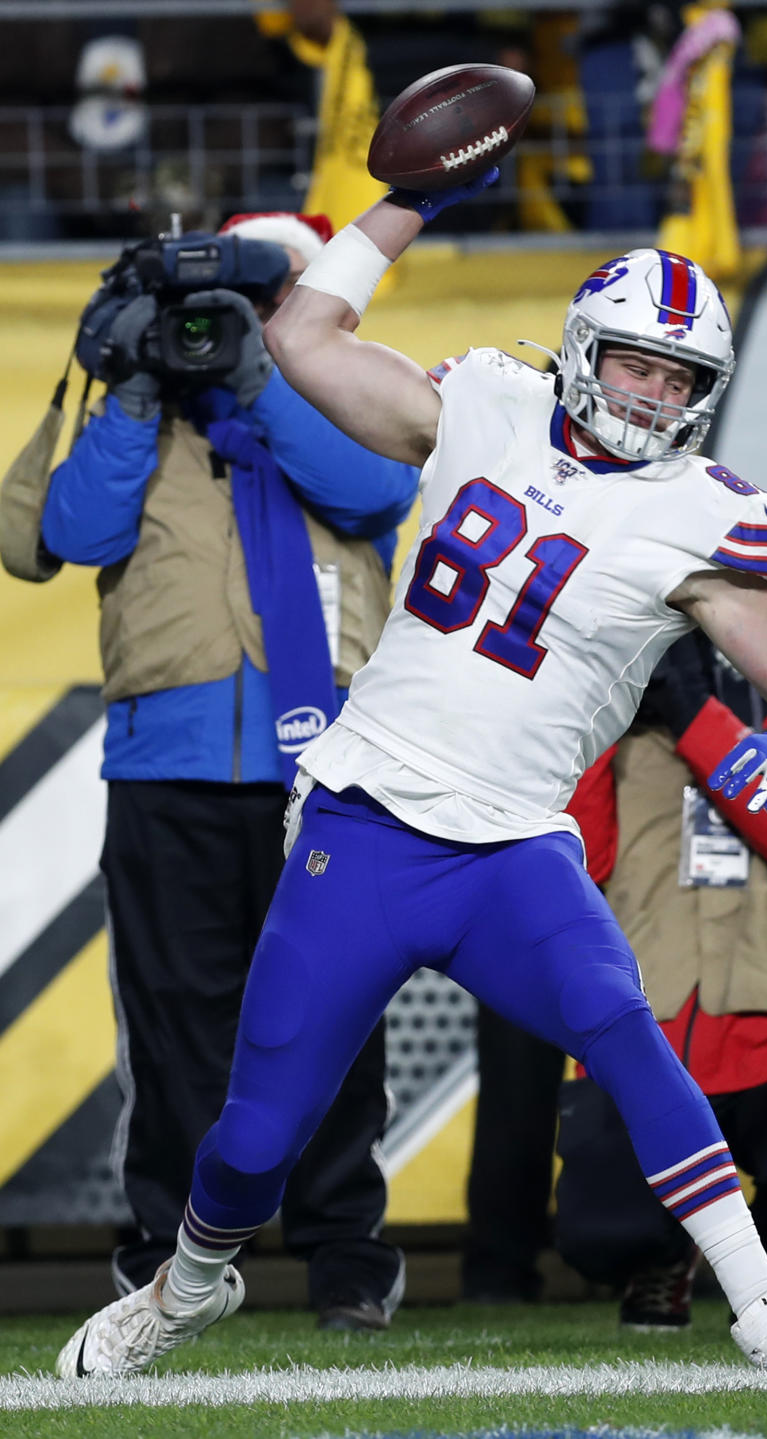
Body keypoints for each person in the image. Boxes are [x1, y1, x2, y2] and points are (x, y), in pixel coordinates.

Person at [56, 174, 767, 1379]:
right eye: (639, 364)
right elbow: (297, 338)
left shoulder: (700, 515)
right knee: (256, 1134)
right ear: (590, 351)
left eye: (679, 377)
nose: (654, 392)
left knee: (624, 1030)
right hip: (369, 820)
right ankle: (186, 1284)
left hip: (512, 847)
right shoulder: (490, 400)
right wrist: (405, 202)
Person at [30, 210, 418, 1331]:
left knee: (334, 1016)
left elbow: (375, 492)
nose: (236, 321)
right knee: (176, 1025)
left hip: (327, 769)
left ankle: (346, 1253)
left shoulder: (350, 397)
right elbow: (74, 531)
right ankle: (168, 1256)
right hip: (167, 766)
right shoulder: (139, 411)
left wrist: (259, 383)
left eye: (268, 296)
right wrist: (139, 389)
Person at [552, 509, 767, 1328]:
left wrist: (696, 719)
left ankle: (738, 1255)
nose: (744, 606)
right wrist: (612, 710)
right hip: (647, 1036)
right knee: (598, 1234)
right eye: (725, 586)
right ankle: (665, 1256)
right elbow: (579, 862)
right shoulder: (630, 733)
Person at [461, 747, 618, 1305]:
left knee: (630, 1079)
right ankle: (499, 1265)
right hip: (526, 873)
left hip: (636, 889)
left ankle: (639, 1259)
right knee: (513, 1087)